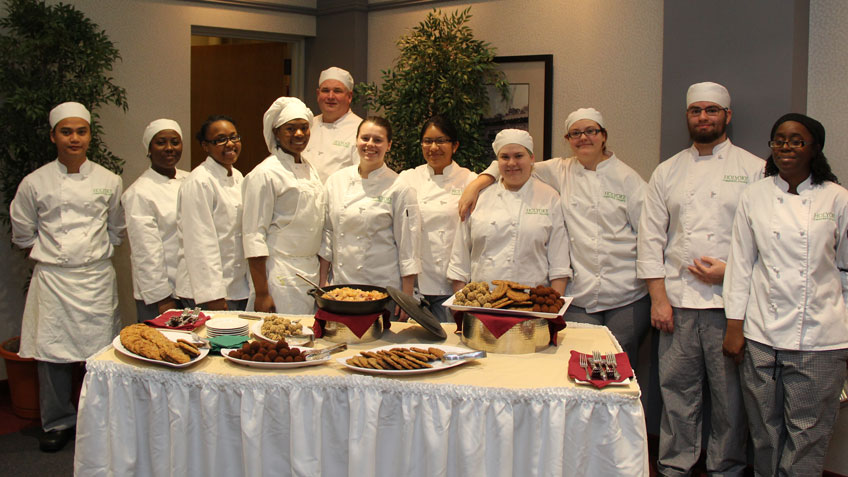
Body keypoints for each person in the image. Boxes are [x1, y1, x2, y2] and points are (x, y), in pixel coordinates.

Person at [637, 82, 764, 476]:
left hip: (730, 306)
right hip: (676, 301)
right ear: (687, 116)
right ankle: (675, 464)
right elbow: (651, 238)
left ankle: (726, 466)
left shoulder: (754, 168)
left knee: (730, 397)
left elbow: (764, 240)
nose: (703, 117)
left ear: (727, 115)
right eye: (696, 111)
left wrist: (730, 273)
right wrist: (658, 299)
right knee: (676, 391)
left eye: (712, 110)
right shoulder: (668, 170)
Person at [459, 108, 649, 365]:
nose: (583, 138)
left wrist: (659, 297)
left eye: (590, 131)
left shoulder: (629, 180)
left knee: (620, 364)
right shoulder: (559, 169)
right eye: (575, 133)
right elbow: (512, 161)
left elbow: (649, 238)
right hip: (581, 294)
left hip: (626, 293)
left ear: (603, 136)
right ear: (568, 139)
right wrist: (477, 184)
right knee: (581, 364)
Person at [723, 113, 848, 476]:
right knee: (764, 432)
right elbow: (741, 265)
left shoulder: (837, 199)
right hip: (761, 335)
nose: (786, 148)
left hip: (820, 339)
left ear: (815, 148)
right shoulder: (755, 195)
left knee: (807, 433)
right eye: (779, 140)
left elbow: (846, 270)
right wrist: (734, 327)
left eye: (796, 141)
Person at [10, 102, 125, 452]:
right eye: (66, 131)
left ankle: (100, 421)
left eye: (81, 131)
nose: (74, 138)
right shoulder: (35, 182)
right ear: (53, 136)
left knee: (101, 355)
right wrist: (54, 256)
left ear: (90, 136)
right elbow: (23, 233)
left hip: (95, 278)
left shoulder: (110, 180)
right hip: (54, 280)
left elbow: (116, 229)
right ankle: (58, 422)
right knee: (52, 355)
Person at [319, 116, 421, 319]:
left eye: (378, 140)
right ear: (356, 140)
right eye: (365, 138)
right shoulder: (336, 181)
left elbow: (408, 246)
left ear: (389, 145)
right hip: (341, 288)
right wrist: (323, 280)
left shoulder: (399, 187)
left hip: (382, 289)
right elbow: (328, 232)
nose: (370, 145)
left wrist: (406, 296)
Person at [448, 129, 571, 294]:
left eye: (519, 156)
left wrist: (554, 307)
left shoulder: (549, 197)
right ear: (497, 162)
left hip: (531, 301)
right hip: (483, 300)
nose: (512, 163)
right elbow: (459, 258)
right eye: (505, 157)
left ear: (532, 158)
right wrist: (460, 306)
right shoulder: (479, 197)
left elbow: (559, 263)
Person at [242, 97, 324, 314]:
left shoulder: (310, 169)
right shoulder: (265, 173)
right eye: (290, 129)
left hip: (309, 270)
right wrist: (262, 293)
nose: (299, 134)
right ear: (277, 133)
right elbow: (253, 235)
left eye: (304, 128)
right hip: (279, 272)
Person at [396, 115, 477, 322]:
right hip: (415, 285)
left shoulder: (470, 180)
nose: (433, 147)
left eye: (441, 141)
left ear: (455, 145)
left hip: (452, 285)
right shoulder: (407, 178)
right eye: (427, 141)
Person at [176, 115, 249, 311]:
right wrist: (213, 295)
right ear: (205, 146)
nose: (230, 144)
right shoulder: (199, 181)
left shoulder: (238, 176)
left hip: (235, 286)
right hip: (205, 293)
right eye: (220, 140)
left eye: (234, 137)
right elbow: (200, 242)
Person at [122, 119, 190, 322]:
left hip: (190, 289)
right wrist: (162, 298)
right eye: (161, 142)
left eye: (175, 142)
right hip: (162, 296)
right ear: (149, 149)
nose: (169, 148)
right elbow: (145, 251)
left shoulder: (192, 180)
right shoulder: (139, 192)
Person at [303, 66, 362, 183]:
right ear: (318, 94)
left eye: (337, 91)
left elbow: (362, 177)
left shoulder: (362, 130)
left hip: (339, 200)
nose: (330, 97)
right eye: (325, 90)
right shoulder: (307, 125)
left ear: (349, 97)